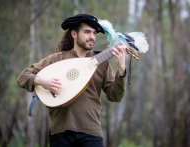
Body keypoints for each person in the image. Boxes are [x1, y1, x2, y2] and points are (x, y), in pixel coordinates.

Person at [17, 14, 126, 147]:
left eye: (94, 33)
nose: (92, 36)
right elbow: (23, 76)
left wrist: (121, 70)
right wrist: (41, 80)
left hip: (91, 134)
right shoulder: (57, 59)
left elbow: (115, 96)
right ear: (74, 34)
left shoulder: (101, 63)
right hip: (60, 132)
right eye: (87, 32)